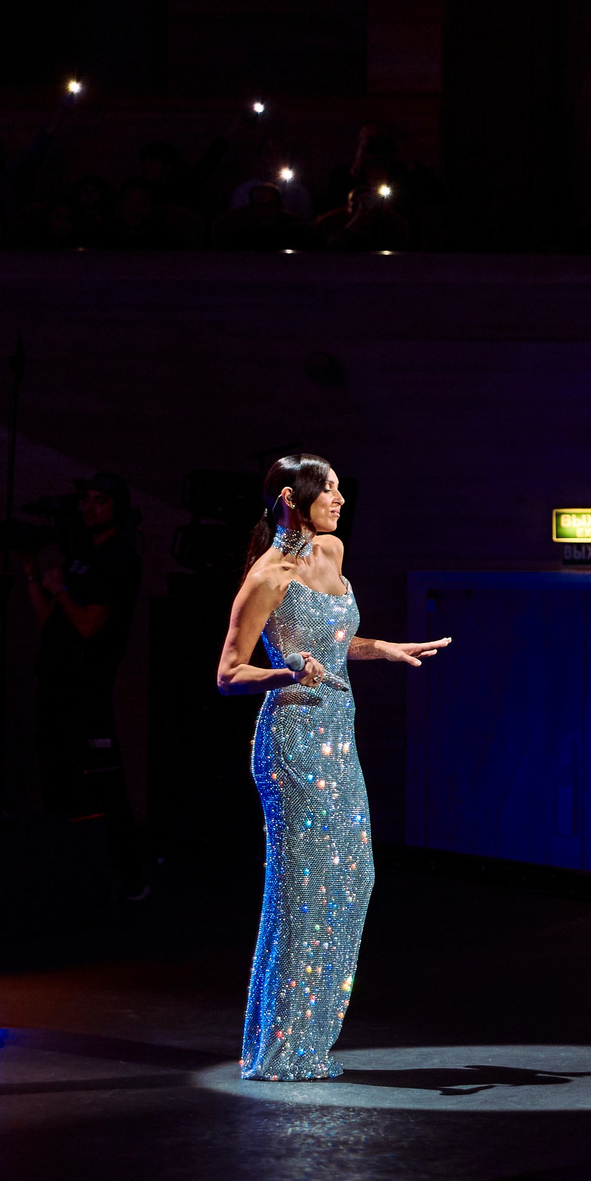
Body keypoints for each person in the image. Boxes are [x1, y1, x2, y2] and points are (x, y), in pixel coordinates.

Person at [213, 454, 451, 1080]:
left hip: (337, 740)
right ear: (294, 497)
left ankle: (307, 1038)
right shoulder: (267, 576)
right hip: (291, 740)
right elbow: (228, 673)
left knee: (355, 877)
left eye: (343, 489)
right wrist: (285, 671)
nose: (340, 499)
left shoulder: (333, 553)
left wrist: (386, 648)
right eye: (331, 490)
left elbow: (339, 643)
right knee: (302, 889)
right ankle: (283, 1051)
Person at [30, 472, 149, 896]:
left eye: (99, 500)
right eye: (87, 500)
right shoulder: (82, 552)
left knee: (102, 782)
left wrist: (60, 589)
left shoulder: (119, 557)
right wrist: (34, 576)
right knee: (58, 778)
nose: (89, 508)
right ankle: (71, 878)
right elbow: (54, 622)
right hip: (57, 681)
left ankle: (131, 875)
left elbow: (88, 625)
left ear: (117, 506)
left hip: (89, 686)